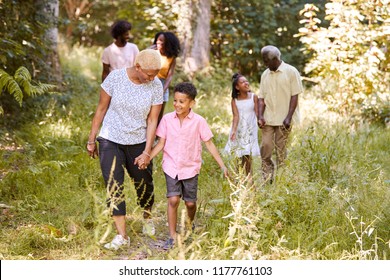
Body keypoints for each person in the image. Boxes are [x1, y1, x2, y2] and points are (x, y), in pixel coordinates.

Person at [135, 82, 228, 250]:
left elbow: (210, 144)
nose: (177, 104)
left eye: (182, 101)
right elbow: (161, 143)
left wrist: (222, 166)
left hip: (190, 167)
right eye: (175, 100)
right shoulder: (167, 119)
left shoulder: (199, 121)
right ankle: (172, 235)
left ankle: (190, 226)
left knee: (190, 203)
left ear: (191, 103)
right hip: (171, 166)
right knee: (173, 199)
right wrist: (147, 156)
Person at [87, 49, 163, 250]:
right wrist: (91, 139)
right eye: (149, 73)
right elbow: (101, 109)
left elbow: (152, 119)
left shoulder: (155, 85)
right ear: (137, 67)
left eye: (155, 74)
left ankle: (147, 218)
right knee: (114, 185)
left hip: (138, 141)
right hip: (111, 138)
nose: (152, 78)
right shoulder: (115, 78)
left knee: (144, 183)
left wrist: (147, 151)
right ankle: (122, 235)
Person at [258, 45, 303, 182]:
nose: (264, 64)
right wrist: (260, 116)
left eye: (266, 61)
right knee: (266, 147)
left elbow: (294, 96)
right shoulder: (265, 74)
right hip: (268, 119)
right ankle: (267, 178)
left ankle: (281, 180)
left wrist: (289, 117)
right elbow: (261, 98)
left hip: (284, 120)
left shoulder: (291, 72)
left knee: (281, 151)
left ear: (275, 59)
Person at [224, 73, 260, 176]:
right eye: (242, 82)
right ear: (237, 87)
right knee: (239, 154)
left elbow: (257, 113)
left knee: (248, 154)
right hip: (240, 130)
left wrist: (261, 122)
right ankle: (238, 176)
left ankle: (248, 176)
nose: (246, 83)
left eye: (246, 81)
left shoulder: (254, 97)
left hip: (250, 130)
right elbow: (236, 116)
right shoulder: (234, 100)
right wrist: (234, 131)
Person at [150, 31, 180, 123]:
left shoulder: (171, 57)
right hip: (150, 81)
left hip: (163, 84)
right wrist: (148, 50)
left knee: (159, 112)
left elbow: (169, 76)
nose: (158, 42)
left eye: (161, 41)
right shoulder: (152, 52)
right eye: (158, 40)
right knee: (148, 111)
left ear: (167, 42)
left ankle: (157, 134)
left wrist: (162, 90)